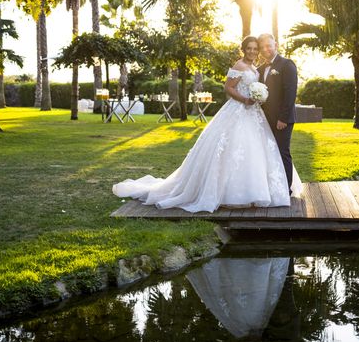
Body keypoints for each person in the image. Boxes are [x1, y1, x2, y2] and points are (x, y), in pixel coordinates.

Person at [112, 35, 301, 213]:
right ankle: (232, 192)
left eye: (256, 48)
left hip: (258, 115)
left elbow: (286, 92)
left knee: (265, 151)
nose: (254, 51)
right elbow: (228, 87)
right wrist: (245, 99)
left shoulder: (262, 68)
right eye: (250, 48)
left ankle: (268, 190)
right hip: (239, 112)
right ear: (243, 50)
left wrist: (263, 103)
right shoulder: (241, 65)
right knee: (234, 149)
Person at [257, 33, 297, 192]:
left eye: (268, 45)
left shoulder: (287, 65)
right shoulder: (259, 69)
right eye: (262, 47)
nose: (265, 49)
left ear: (276, 45)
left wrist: (283, 118)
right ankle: (271, 187)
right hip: (264, 119)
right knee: (268, 153)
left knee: (282, 152)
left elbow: (290, 93)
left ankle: (285, 189)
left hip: (282, 120)